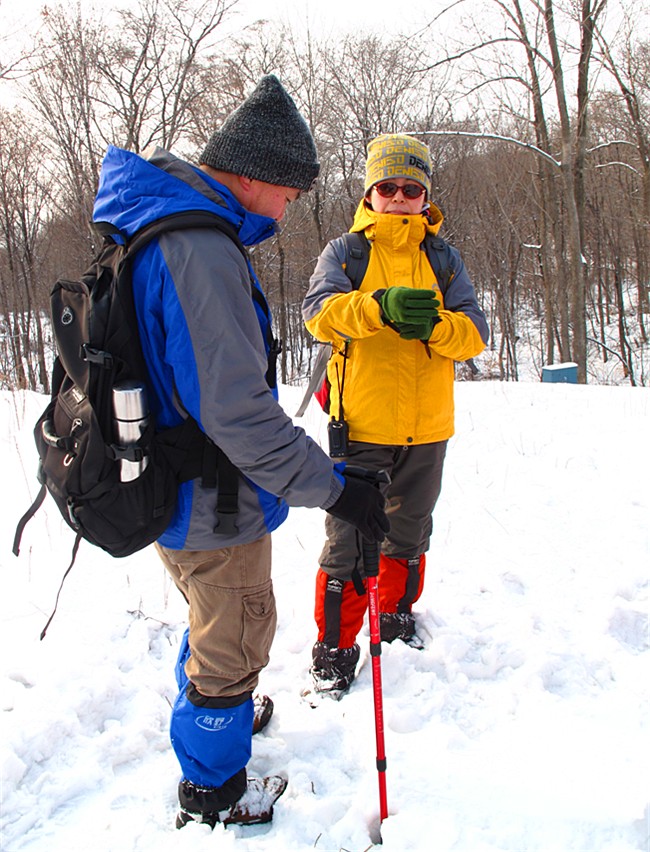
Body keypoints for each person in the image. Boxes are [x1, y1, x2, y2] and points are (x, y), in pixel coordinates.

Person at [91, 76, 388, 829]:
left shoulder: (161, 220)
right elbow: (239, 415)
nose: (289, 212)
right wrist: (335, 488)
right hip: (210, 500)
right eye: (289, 194)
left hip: (175, 485)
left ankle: (216, 714)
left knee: (214, 620)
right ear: (254, 174)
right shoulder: (200, 249)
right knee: (234, 637)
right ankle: (214, 788)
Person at [302, 133, 489, 698]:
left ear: (424, 194)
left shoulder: (444, 257)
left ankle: (396, 615)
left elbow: (475, 334)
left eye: (412, 188)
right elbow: (318, 314)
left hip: (427, 429)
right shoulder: (345, 252)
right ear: (371, 192)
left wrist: (435, 327)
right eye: (389, 187)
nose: (400, 197)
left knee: (408, 534)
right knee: (349, 543)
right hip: (360, 426)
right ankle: (335, 647)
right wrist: (377, 307)